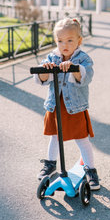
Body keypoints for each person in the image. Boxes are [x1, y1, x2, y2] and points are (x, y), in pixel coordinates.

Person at [34, 17, 100, 190]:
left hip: (75, 107)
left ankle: (91, 170)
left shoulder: (83, 58)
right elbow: (42, 79)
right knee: (55, 136)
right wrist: (45, 71)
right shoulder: (52, 57)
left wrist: (75, 68)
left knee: (82, 139)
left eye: (70, 40)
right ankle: (50, 164)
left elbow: (86, 78)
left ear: (79, 41)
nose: (64, 44)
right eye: (60, 40)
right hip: (56, 105)